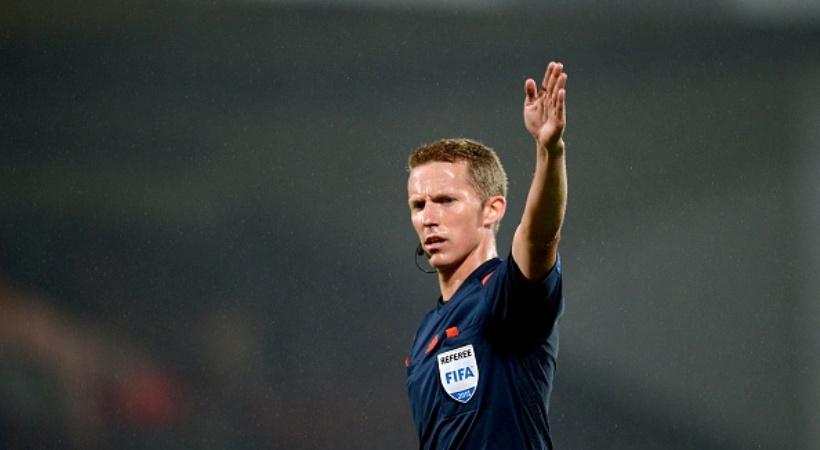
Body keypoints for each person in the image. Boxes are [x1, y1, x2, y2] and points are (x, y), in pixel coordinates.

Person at [404, 61, 568, 449]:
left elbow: (540, 236)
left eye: (446, 200)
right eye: (418, 205)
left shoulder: (505, 296)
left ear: (492, 210)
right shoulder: (425, 334)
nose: (429, 217)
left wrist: (550, 151)